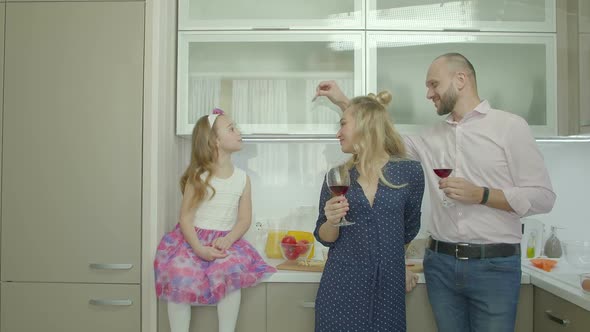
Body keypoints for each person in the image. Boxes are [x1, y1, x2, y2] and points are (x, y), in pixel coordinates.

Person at [314, 53, 556, 332]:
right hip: (440, 264)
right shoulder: (430, 137)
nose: (429, 94)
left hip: (494, 266)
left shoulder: (510, 127)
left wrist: (483, 195)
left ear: (461, 80)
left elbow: (543, 197)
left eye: (433, 84)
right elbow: (375, 133)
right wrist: (344, 101)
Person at [154, 109, 276, 332]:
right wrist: (200, 249)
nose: (239, 131)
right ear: (215, 141)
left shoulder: (242, 179)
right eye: (231, 128)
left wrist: (228, 240)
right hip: (192, 240)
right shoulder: (198, 176)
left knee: (229, 270)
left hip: (225, 239)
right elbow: (185, 218)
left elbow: (244, 219)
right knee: (178, 273)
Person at [313, 91, 425, 332]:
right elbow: (324, 236)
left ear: (365, 124)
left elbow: (408, 229)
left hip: (388, 290)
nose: (338, 133)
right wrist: (332, 221)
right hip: (341, 287)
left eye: (343, 124)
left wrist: (398, 265)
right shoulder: (337, 176)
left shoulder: (410, 172)